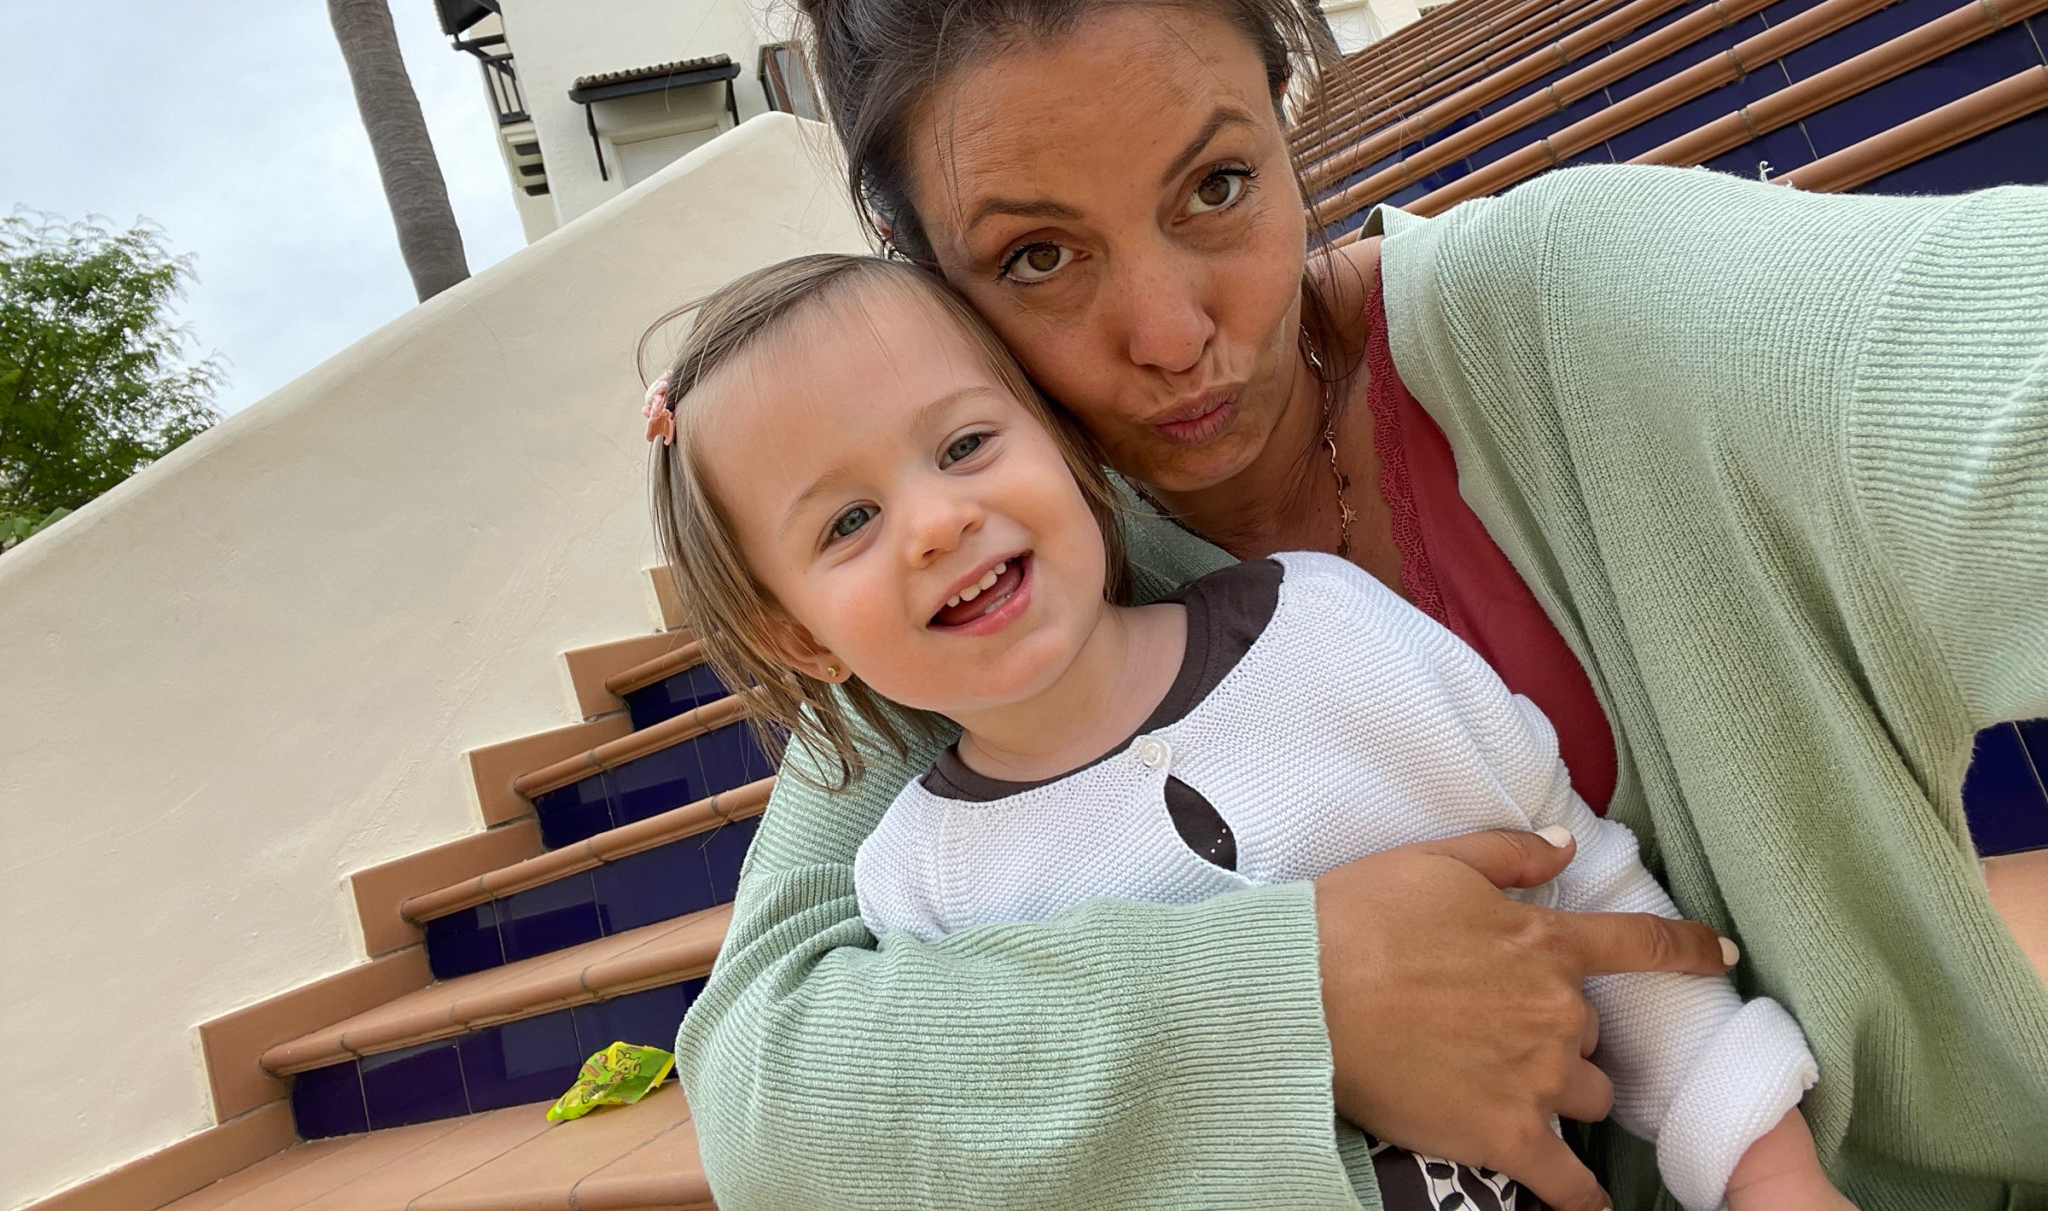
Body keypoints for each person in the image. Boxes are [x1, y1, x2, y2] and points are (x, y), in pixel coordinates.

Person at [666, 0, 2048, 1211]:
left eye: (1215, 186)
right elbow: (765, 1095)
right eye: (1038, 258)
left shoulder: (1582, 311)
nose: (1173, 332)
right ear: (925, 273)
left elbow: (1982, 373)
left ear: (1287, 119)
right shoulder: (984, 590)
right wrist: (1297, 999)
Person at [643, 251, 1847, 1211]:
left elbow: (1578, 889)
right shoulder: (916, 887)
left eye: (964, 446)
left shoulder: (1325, 631)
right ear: (798, 638)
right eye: (847, 523)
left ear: (1061, 444)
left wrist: (1764, 1170)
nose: (933, 522)